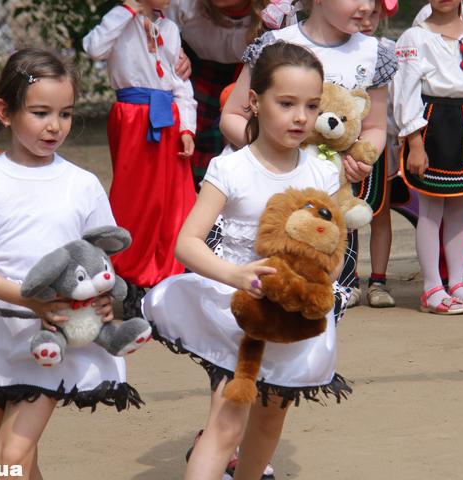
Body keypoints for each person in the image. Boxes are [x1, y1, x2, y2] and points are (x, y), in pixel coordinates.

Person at [143, 42, 351, 480]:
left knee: (271, 419)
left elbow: (333, 247)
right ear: (255, 102)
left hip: (293, 319)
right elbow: (188, 243)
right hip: (236, 315)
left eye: (312, 106)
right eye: (286, 103)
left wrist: (317, 281)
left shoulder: (322, 171)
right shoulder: (231, 169)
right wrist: (235, 275)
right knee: (226, 422)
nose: (301, 117)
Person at [0, 48, 143, 476]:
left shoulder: (82, 184)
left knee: (8, 458)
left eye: (65, 114)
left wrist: (104, 300)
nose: (55, 125)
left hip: (56, 332)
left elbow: (100, 262)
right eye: (40, 112)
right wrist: (27, 299)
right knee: (17, 460)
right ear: (5, 112)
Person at [221, 0, 397, 307]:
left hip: (324, 199)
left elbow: (375, 127)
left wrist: (360, 159)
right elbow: (233, 116)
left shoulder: (373, 54)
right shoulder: (275, 45)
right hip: (263, 189)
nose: (366, 6)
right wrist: (273, 150)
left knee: (311, 292)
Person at [82, 0, 198, 312]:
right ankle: (131, 276)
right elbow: (94, 47)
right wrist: (127, 10)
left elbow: (180, 82)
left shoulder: (169, 28)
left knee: (172, 201)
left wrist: (187, 127)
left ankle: (168, 275)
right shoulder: (120, 20)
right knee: (135, 201)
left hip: (169, 118)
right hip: (133, 119)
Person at [393, 0, 463, 314]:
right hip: (431, 123)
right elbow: (405, 90)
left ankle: (456, 283)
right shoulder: (414, 38)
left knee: (459, 207)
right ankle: (432, 287)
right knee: (430, 209)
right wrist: (415, 142)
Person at [165, 0, 271, 188]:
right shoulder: (185, 5)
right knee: (186, 149)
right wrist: (175, 52)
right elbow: (156, 30)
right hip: (195, 78)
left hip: (250, 80)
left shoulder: (276, 12)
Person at [359, 1, 400, 308]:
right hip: (338, 142)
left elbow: (397, 100)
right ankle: (345, 279)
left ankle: (378, 280)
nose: (367, 20)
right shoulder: (335, 49)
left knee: (380, 212)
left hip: (379, 142)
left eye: (374, 13)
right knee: (341, 214)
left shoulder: (387, 50)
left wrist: (400, 138)